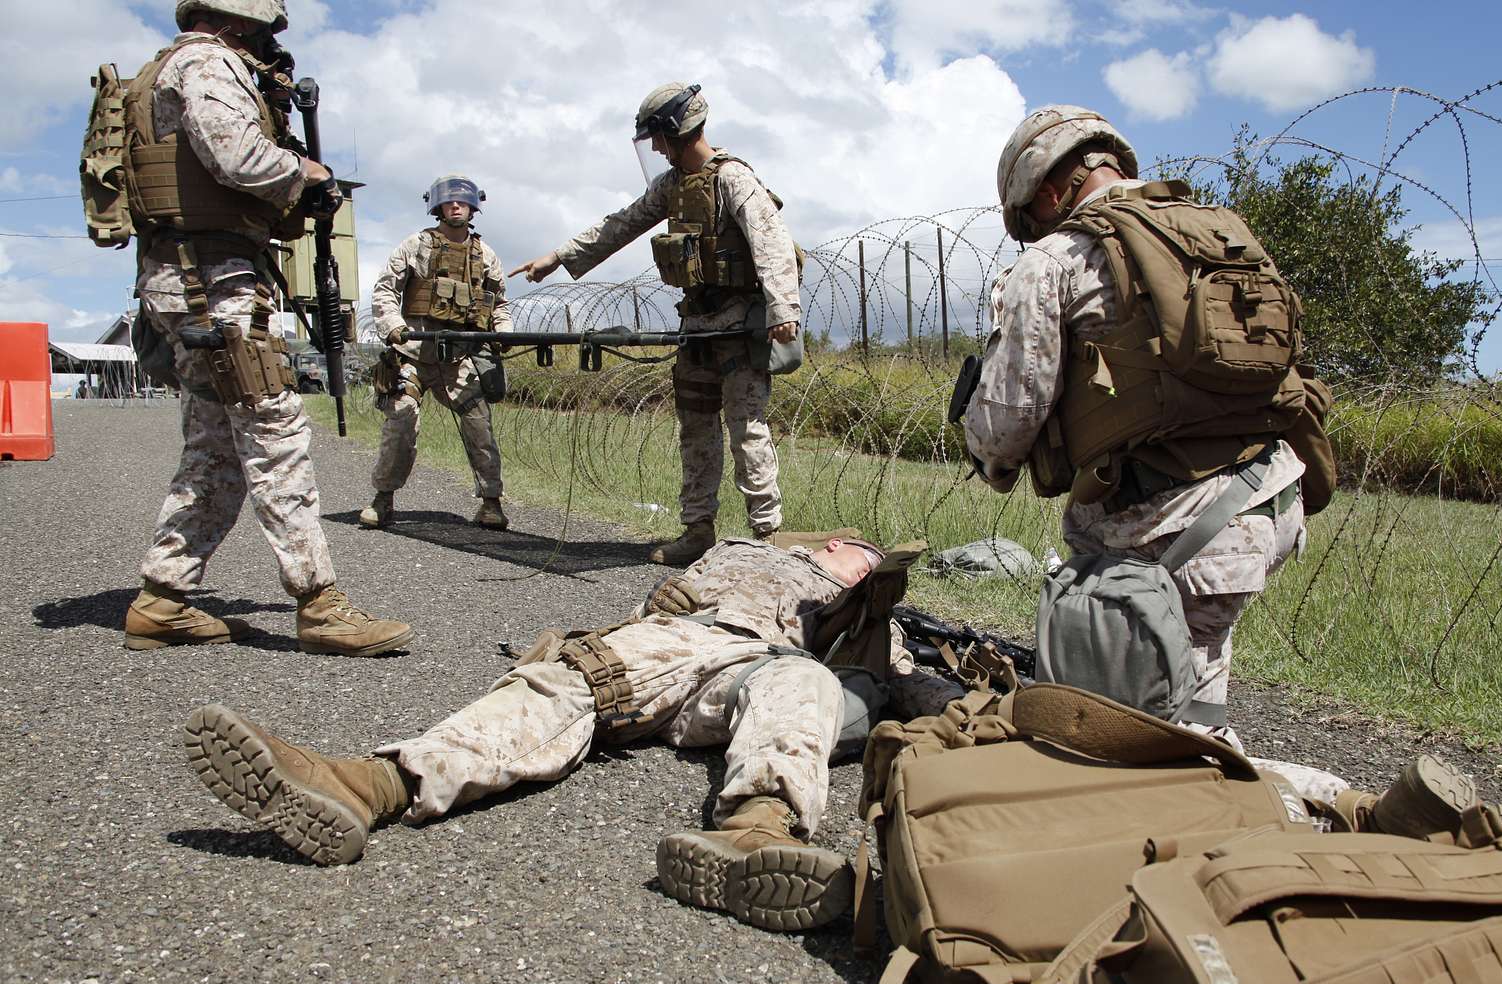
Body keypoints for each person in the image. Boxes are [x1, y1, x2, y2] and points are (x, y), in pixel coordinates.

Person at [182, 536, 964, 931]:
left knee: (804, 681)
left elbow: (918, 685)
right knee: (568, 680)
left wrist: (978, 712)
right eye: (849, 551)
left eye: (865, 560)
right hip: (678, 641)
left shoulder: (871, 617)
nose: (854, 562)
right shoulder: (747, 553)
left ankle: (754, 830)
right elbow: (664, 601)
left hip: (758, 672)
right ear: (821, 544)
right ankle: (372, 784)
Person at [964, 105, 1313, 738]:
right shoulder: (1216, 233)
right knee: (1191, 681)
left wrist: (986, 452)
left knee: (1156, 730)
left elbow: (1009, 418)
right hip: (1268, 494)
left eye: (1033, 220)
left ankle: (1285, 810)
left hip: (1173, 526)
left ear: (1047, 191)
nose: (1037, 231)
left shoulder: (1055, 260)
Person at [121, 0, 411, 657]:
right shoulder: (206, 62)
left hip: (183, 283)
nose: (264, 47)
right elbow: (236, 157)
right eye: (261, 33)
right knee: (275, 433)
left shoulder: (163, 69)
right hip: (213, 286)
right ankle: (321, 604)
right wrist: (303, 174)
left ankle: (162, 598)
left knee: (214, 450)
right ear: (241, 22)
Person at [510, 83, 801, 565]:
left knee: (747, 429)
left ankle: (766, 539)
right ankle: (698, 531)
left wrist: (782, 310)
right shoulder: (670, 186)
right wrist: (559, 257)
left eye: (660, 139)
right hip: (698, 325)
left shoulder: (733, 179)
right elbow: (619, 225)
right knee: (695, 429)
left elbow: (770, 240)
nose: (658, 149)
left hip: (739, 326)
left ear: (678, 130)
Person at [361, 175, 513, 531]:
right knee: (401, 420)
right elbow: (385, 290)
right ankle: (383, 499)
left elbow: (500, 304)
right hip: (413, 354)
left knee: (480, 426)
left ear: (473, 207)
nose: (456, 206)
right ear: (438, 207)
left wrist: (504, 333)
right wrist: (392, 326)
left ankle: (491, 502)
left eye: (462, 202)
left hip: (456, 358)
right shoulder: (416, 245)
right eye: (449, 202)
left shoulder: (486, 256)